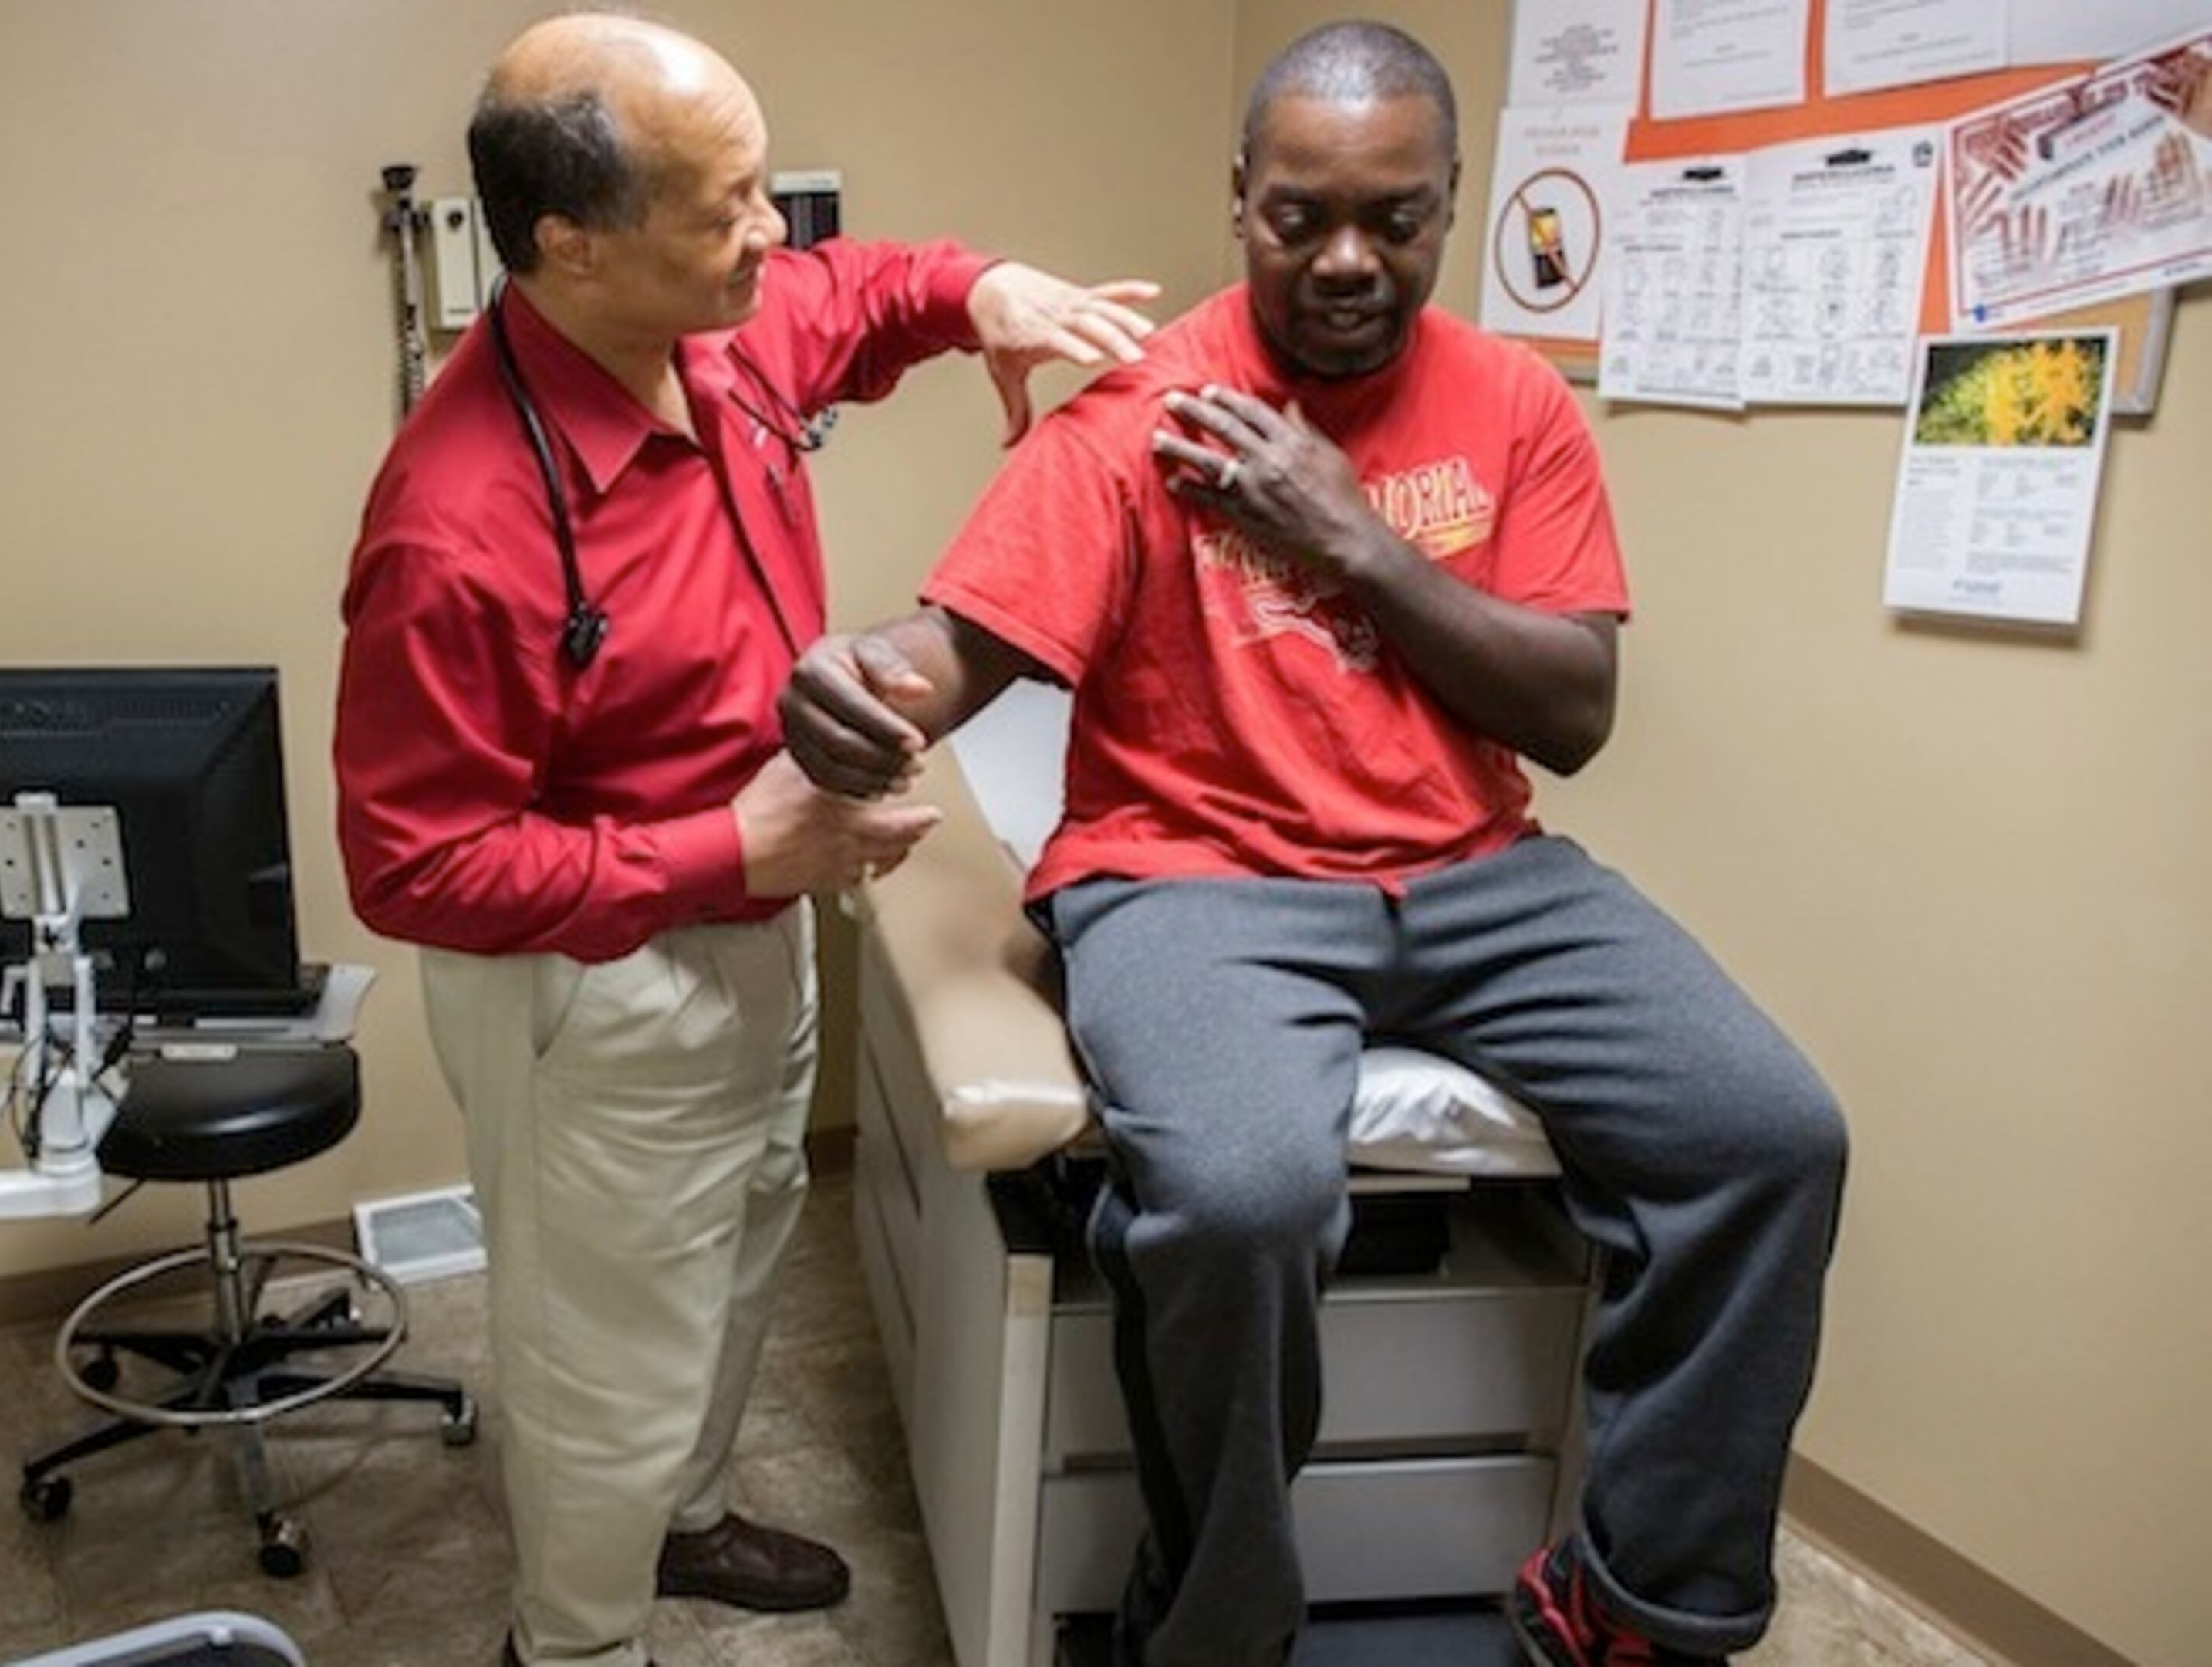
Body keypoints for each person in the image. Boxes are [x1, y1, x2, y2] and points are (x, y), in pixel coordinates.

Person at [780, 22, 1846, 1667]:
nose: (1349, 260)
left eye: (1396, 219)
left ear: (1449, 207)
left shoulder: (1512, 407)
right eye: (1301, 219)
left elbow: (1574, 711)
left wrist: (1348, 536)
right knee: (1235, 1196)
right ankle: (1213, 1626)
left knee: (1772, 1134)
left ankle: (1639, 1602)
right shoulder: (1136, 416)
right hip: (1194, 879)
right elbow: (948, 651)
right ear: (1240, 203)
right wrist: (852, 684)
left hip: (1478, 875)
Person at [332, 15, 1159, 1665]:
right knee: (600, 1360)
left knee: (730, 1259)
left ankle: (687, 1518)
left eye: (765, 191)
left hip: (754, 914)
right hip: (591, 981)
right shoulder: (458, 526)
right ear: (572, 241)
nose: (772, 238)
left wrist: (982, 290)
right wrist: (729, 852)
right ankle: (571, 1640)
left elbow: (875, 289)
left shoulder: (717, 327)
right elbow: (414, 872)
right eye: (728, 209)